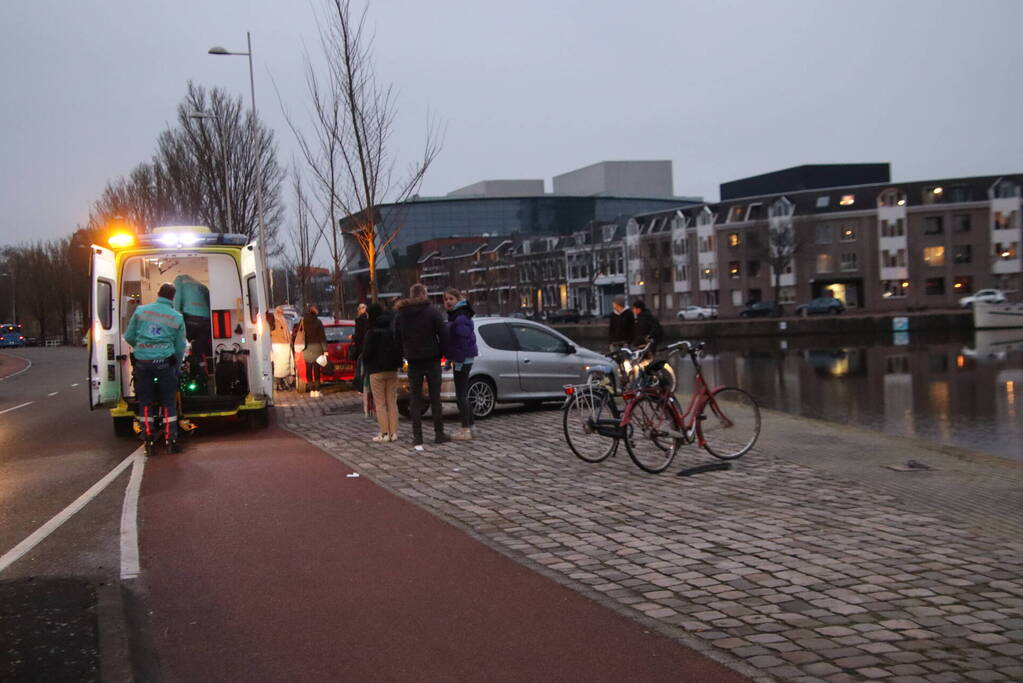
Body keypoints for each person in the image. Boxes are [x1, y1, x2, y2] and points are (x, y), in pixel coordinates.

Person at [124, 282, 187, 453]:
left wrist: (142, 348)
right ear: (173, 297)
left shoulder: (140, 311)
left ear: (158, 293)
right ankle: (170, 440)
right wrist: (178, 366)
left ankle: (149, 441)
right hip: (165, 363)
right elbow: (180, 347)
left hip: (142, 364)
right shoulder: (176, 317)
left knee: (145, 402)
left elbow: (129, 336)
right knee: (168, 402)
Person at [394, 283, 451, 446]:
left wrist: (404, 353)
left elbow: (396, 337)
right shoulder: (432, 312)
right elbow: (444, 334)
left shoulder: (401, 315)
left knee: (415, 399)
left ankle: (417, 436)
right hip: (432, 359)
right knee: (435, 398)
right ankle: (439, 433)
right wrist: (441, 352)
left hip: (413, 360)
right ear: (423, 295)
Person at [361, 302, 402, 442]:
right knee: (392, 401)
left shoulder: (371, 332)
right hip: (392, 369)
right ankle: (394, 433)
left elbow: (366, 354)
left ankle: (384, 433)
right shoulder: (391, 329)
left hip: (376, 371)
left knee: (380, 403)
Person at [443, 288, 479, 441]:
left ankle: (466, 429)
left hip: (462, 360)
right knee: (462, 394)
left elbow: (462, 341)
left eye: (451, 299)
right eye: (445, 299)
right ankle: (470, 426)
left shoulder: (460, 317)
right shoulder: (458, 315)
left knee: (461, 395)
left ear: (458, 299)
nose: (447, 302)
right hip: (461, 359)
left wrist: (457, 359)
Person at [172, 273, 212, 368]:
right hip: (206, 321)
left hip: (190, 318)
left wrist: (175, 317)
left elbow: (176, 299)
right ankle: (200, 368)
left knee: (181, 342)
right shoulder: (202, 286)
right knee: (198, 350)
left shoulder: (179, 279)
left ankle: (182, 366)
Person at [300, 305, 327, 397]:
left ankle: (311, 390)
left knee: (308, 369)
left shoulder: (303, 321)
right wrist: (325, 350)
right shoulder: (318, 322)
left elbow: (299, 333)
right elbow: (322, 337)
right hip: (317, 348)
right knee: (316, 369)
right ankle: (317, 390)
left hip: (306, 348)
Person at [271, 306, 294, 391]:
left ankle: (280, 383)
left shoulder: (282, 320)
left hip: (283, 344)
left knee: (283, 366)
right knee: (280, 366)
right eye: (281, 311)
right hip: (279, 344)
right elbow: (275, 332)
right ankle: (279, 383)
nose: (282, 312)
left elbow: (286, 332)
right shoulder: (276, 320)